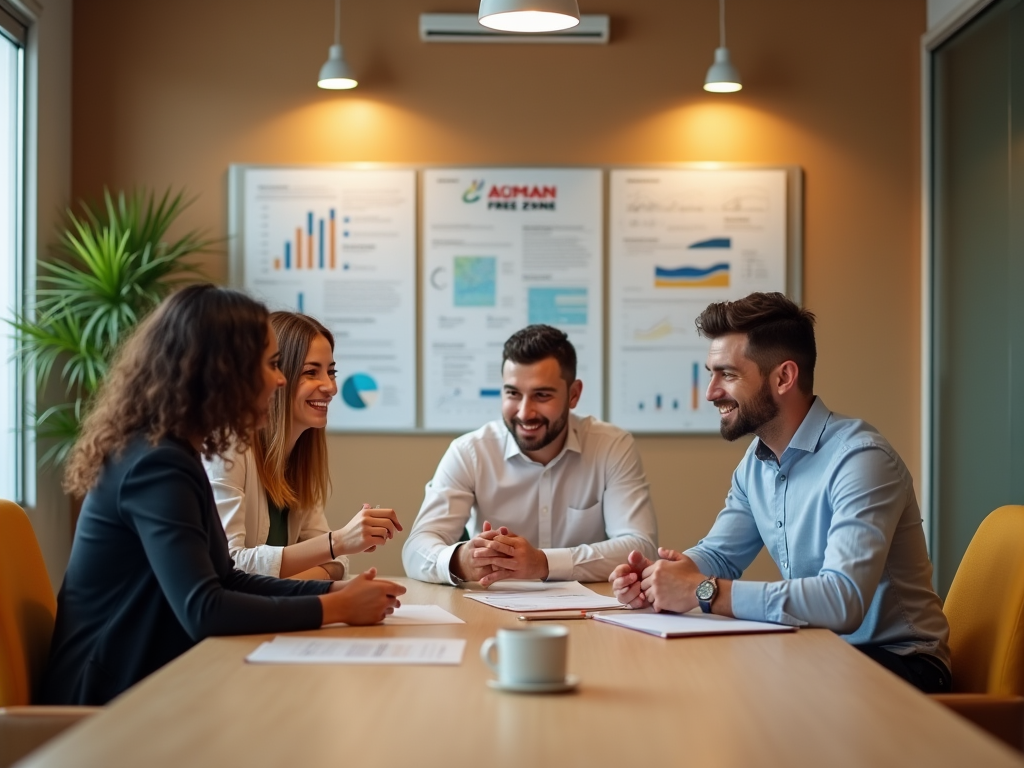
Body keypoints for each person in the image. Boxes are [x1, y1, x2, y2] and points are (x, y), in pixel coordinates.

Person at [40, 285, 405, 706]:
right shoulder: (156, 465)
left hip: (147, 671)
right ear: (221, 372)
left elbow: (225, 578)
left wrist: (333, 594)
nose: (281, 379)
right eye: (271, 364)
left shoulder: (173, 453)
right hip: (106, 695)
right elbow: (205, 609)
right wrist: (336, 608)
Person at [610, 292, 951, 693]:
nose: (711, 392)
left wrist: (701, 591)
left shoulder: (861, 460)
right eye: (711, 373)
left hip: (904, 665)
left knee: (738, 687)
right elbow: (719, 555)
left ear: (784, 378)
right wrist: (660, 578)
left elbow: (843, 601)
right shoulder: (756, 464)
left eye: (728, 374)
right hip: (823, 648)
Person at [403, 324, 658, 586]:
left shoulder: (611, 446)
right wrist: (460, 561)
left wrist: (542, 563)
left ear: (573, 395)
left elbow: (640, 547)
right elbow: (415, 549)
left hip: (586, 610)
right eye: (513, 393)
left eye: (542, 395)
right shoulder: (470, 452)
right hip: (492, 610)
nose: (525, 413)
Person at [203, 311, 401, 580]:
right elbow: (228, 564)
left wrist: (326, 553)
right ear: (273, 377)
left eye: (331, 372)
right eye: (311, 372)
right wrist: (337, 542)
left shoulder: (299, 454)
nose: (330, 386)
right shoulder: (228, 447)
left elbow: (337, 564)